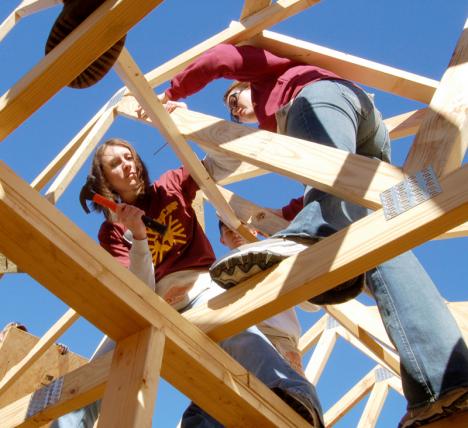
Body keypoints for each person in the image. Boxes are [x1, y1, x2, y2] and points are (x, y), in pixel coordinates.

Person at [156, 43, 468, 427]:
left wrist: (172, 92)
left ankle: (311, 239)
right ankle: (445, 385)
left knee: (323, 208)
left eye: (234, 98)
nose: (235, 108)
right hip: (368, 146)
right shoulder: (289, 122)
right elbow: (322, 192)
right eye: (232, 108)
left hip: (324, 101)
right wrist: (282, 217)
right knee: (379, 247)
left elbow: (224, 57)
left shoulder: (282, 84)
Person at [52, 138, 324, 427]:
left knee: (242, 336)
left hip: (198, 284)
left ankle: (298, 400)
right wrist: (139, 236)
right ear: (105, 179)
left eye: (129, 156)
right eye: (115, 163)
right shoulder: (112, 231)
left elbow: (221, 163)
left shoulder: (170, 184)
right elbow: (139, 291)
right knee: (97, 373)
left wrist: (176, 130)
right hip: (152, 304)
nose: (127, 165)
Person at [218, 219, 313, 376]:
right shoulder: (221, 273)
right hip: (243, 338)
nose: (234, 233)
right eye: (228, 231)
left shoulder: (275, 253)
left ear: (254, 230)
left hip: (279, 336)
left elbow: (311, 303)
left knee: (289, 395)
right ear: (222, 240)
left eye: (238, 227)